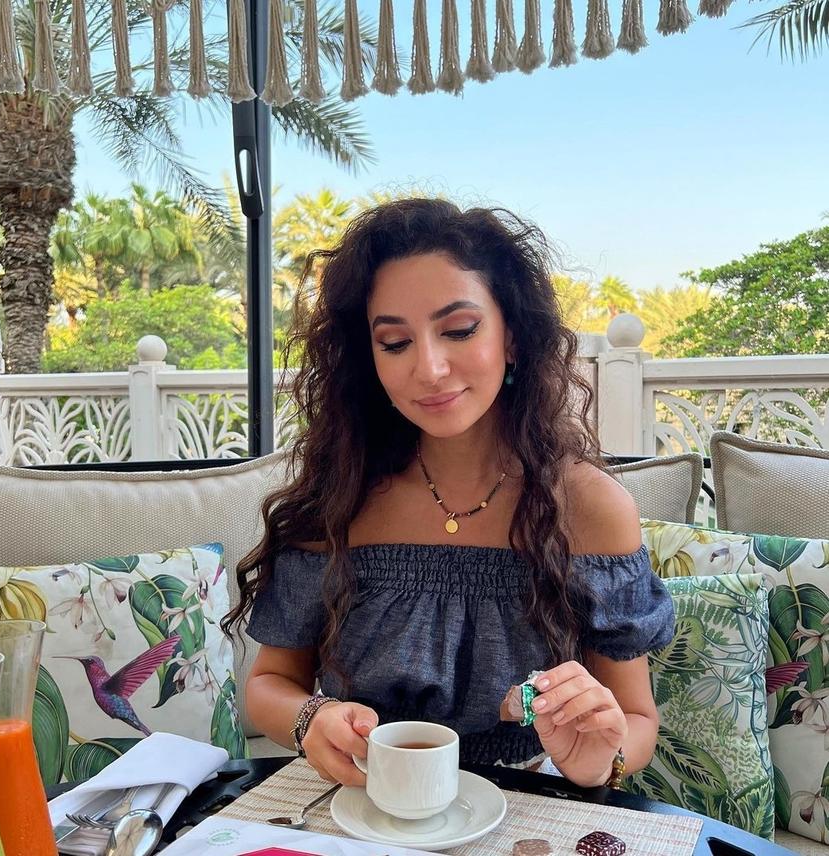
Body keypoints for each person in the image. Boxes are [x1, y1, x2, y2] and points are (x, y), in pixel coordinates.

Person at [223, 198, 674, 790]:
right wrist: (312, 719)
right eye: (395, 342)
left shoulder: (589, 508)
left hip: (529, 808)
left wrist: (598, 758)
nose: (430, 368)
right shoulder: (338, 498)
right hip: (363, 801)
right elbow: (269, 683)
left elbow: (636, 719)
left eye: (459, 330)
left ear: (512, 337)